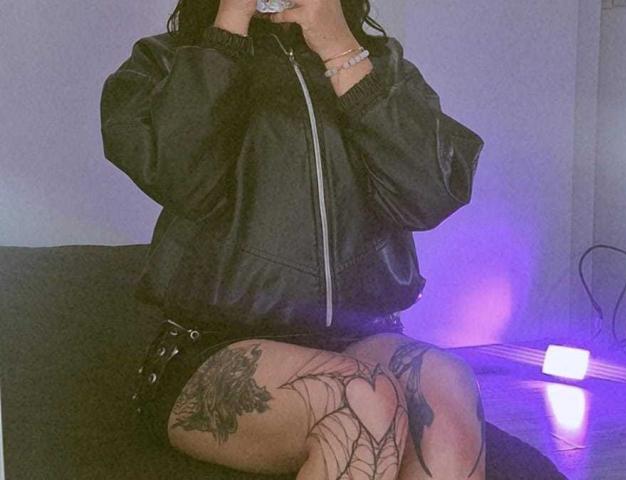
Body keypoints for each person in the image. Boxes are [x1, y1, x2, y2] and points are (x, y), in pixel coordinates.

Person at [99, 0, 486, 478]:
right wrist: (227, 33)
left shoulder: (380, 64)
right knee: (358, 400)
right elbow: (184, 181)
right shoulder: (164, 61)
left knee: (448, 386)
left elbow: (429, 196)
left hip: (364, 335)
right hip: (213, 346)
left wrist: (342, 52)